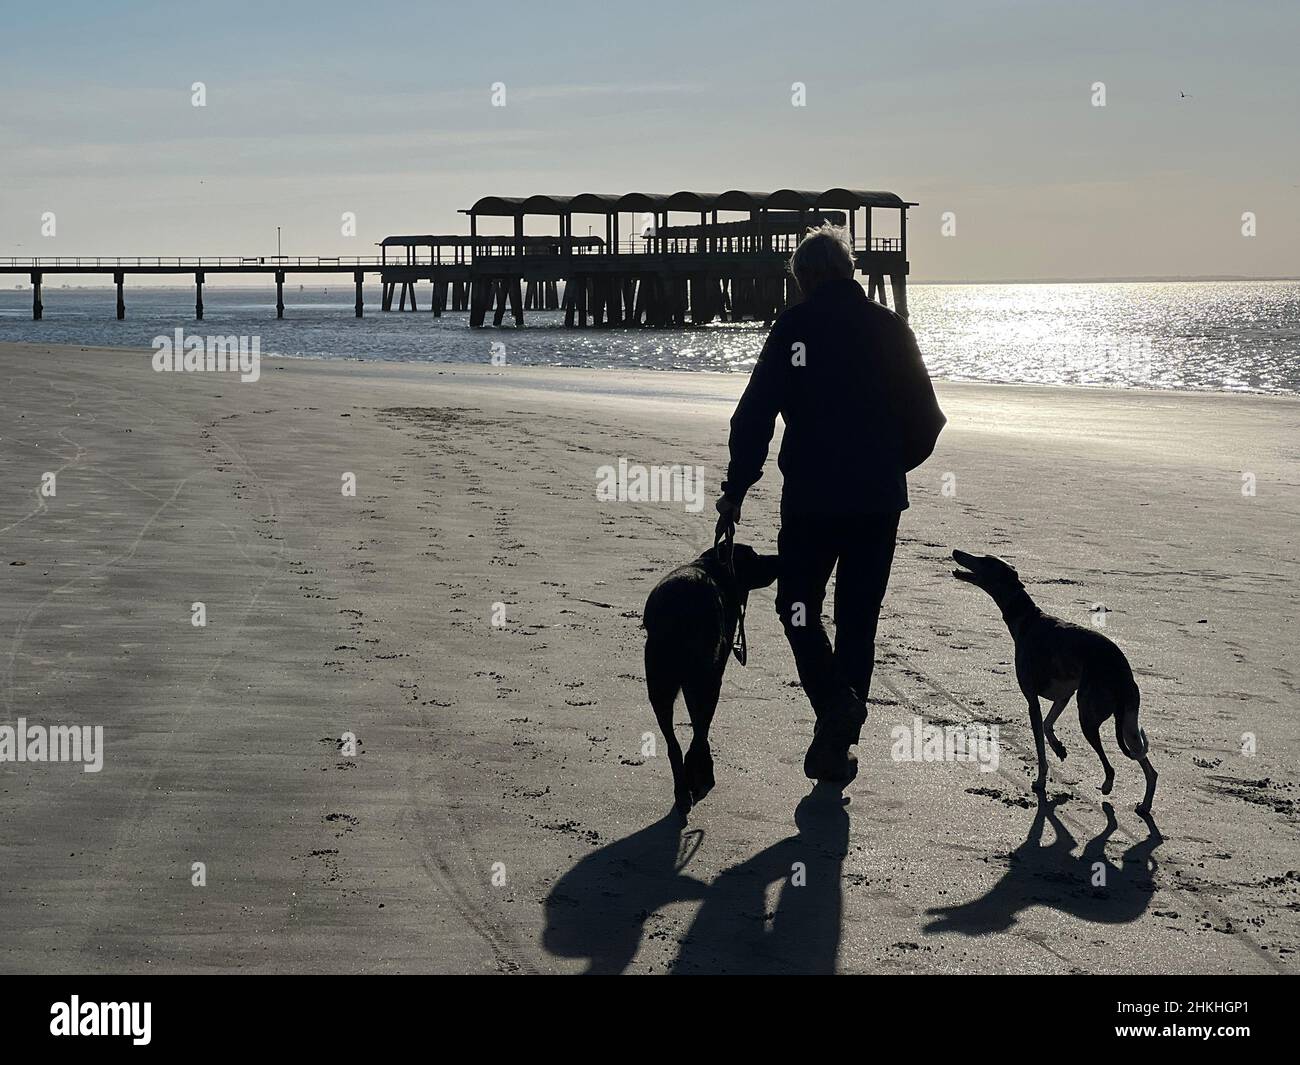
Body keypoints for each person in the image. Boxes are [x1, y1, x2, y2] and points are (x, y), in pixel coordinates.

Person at [716, 223, 945, 783]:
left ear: (804, 280)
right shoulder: (890, 327)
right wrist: (890, 467)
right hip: (876, 503)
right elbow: (928, 419)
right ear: (849, 272)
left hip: (813, 499)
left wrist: (736, 489)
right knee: (857, 621)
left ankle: (834, 714)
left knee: (797, 607)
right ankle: (838, 736)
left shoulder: (794, 328)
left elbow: (753, 417)